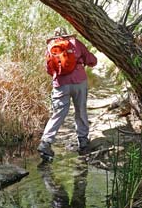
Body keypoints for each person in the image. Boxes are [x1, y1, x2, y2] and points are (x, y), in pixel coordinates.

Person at [37, 27, 97, 161]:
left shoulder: (50, 46)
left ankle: (45, 142)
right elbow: (91, 60)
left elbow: (48, 69)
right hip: (79, 81)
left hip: (60, 84)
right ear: (67, 34)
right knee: (80, 110)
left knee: (58, 113)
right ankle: (83, 141)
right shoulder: (75, 43)